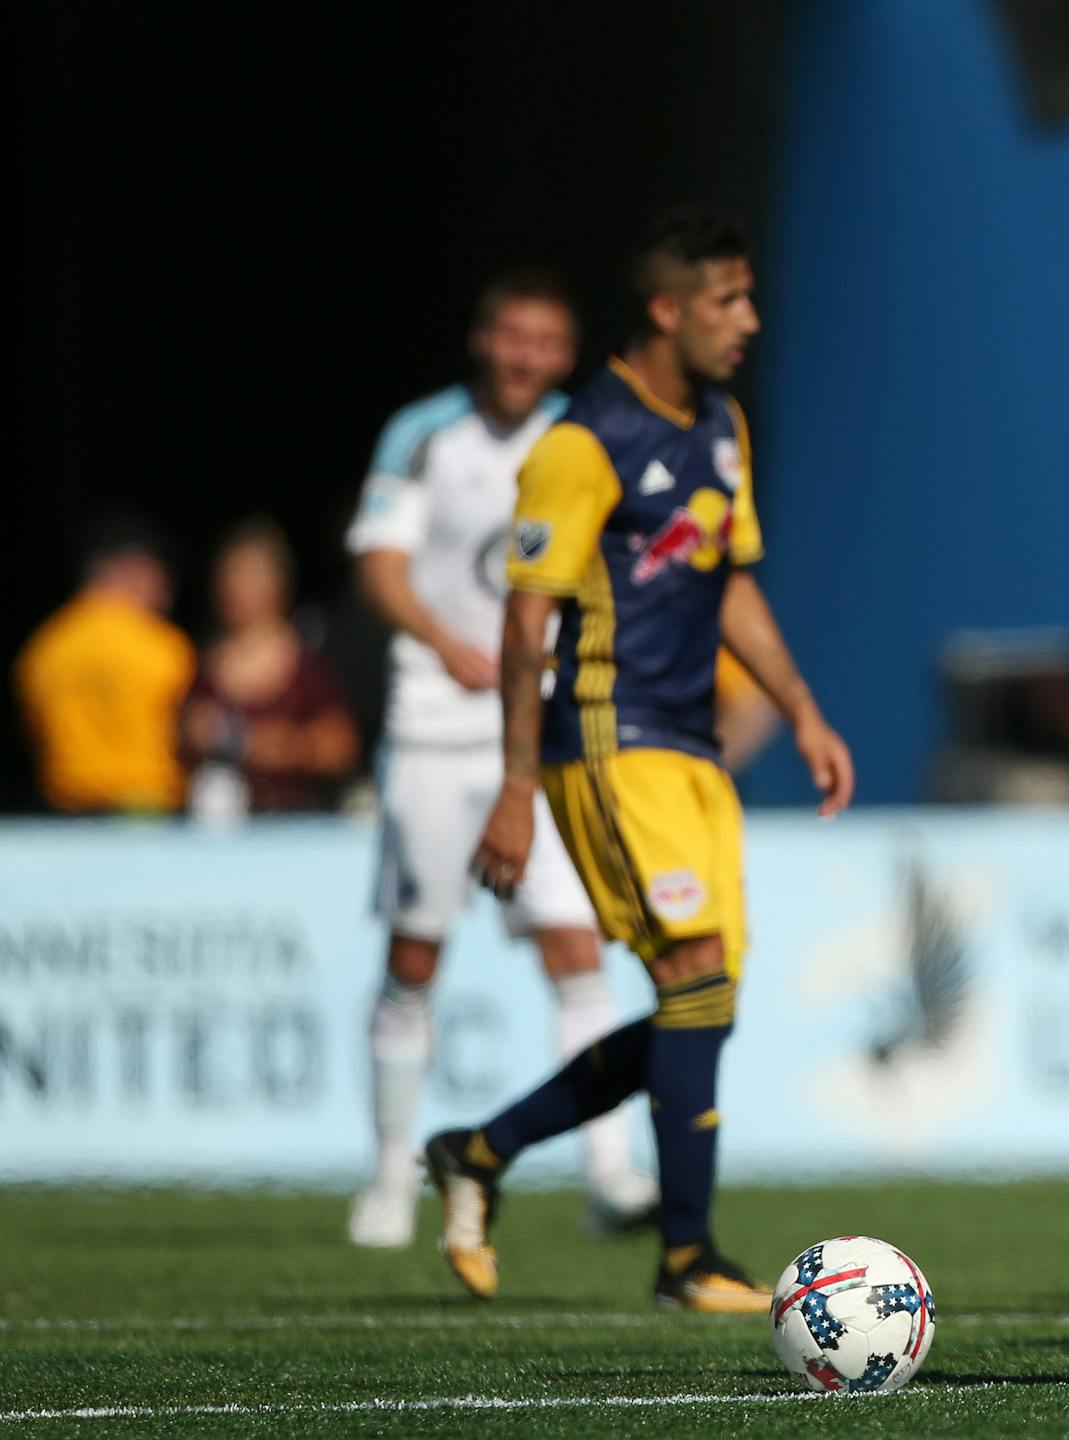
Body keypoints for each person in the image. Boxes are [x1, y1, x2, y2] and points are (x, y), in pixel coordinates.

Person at [424, 211, 855, 1314]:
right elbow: (529, 629)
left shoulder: (719, 423)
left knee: (700, 1003)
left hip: (695, 752)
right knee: (694, 978)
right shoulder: (584, 443)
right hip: (609, 743)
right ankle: (685, 1256)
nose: (751, 321)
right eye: (729, 301)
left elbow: (734, 583)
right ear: (667, 309)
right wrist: (517, 789)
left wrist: (802, 709)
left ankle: (480, 1150)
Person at [343, 270, 656, 1250]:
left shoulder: (585, 437)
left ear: (565, 354)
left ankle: (611, 1173)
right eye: (510, 337)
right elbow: (379, 565)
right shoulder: (424, 434)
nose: (524, 356)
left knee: (575, 946)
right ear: (483, 340)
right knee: (415, 955)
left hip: (549, 727)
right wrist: (442, 640)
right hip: (438, 727)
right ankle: (392, 1176)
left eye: (544, 341)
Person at [13, 522, 194, 814]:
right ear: (129, 572)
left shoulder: (43, 650)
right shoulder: (163, 647)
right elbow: (187, 731)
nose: (167, 592)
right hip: (144, 811)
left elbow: (32, 734)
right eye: (157, 576)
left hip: (64, 813)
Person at [182, 519, 360, 814]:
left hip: (291, 826)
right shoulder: (203, 664)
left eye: (249, 577)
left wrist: (269, 746)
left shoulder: (308, 667)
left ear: (278, 585)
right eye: (230, 577)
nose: (236, 589)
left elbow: (340, 748)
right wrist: (193, 732)